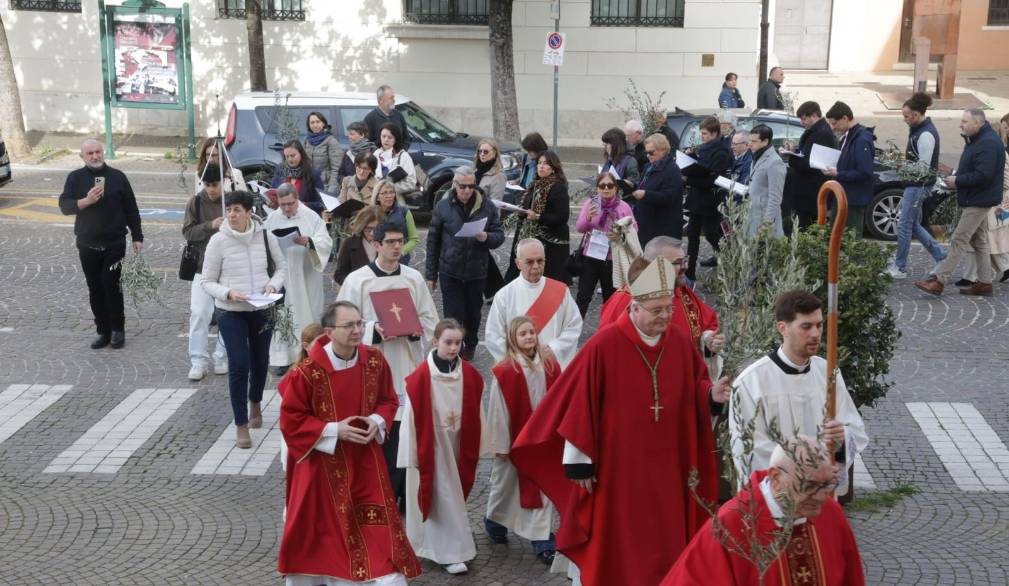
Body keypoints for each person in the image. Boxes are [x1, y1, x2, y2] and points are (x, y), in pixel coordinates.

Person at [510, 257, 730, 586]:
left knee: (665, 541)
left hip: (668, 468)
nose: (665, 317)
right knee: (617, 542)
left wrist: (711, 397)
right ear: (635, 307)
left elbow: (694, 385)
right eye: (657, 310)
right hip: (618, 469)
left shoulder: (678, 342)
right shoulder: (605, 344)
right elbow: (579, 401)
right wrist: (580, 461)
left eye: (668, 309)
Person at [277, 301, 422, 584]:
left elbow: (388, 399)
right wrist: (334, 430)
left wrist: (377, 421)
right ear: (329, 332)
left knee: (376, 539)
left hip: (364, 463)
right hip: (320, 468)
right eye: (349, 325)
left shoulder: (374, 360)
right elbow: (291, 419)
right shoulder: (307, 372)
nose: (357, 330)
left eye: (359, 323)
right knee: (319, 537)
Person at [662, 438, 866, 586]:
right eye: (809, 486)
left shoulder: (830, 514)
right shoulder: (730, 527)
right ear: (775, 478)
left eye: (827, 484)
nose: (821, 496)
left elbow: (851, 579)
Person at [337, 221, 440, 511]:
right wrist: (372, 330)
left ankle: (404, 495)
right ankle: (376, 494)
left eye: (400, 241)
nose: (397, 247)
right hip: (371, 369)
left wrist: (415, 330)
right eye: (391, 242)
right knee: (377, 433)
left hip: (406, 365)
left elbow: (430, 319)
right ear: (376, 244)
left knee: (405, 432)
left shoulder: (413, 278)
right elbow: (341, 325)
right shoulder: (357, 281)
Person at [730, 290, 868, 494]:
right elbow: (750, 449)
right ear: (782, 328)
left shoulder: (828, 372)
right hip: (777, 497)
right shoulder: (751, 382)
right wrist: (806, 473)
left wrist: (841, 440)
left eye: (819, 325)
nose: (815, 334)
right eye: (806, 326)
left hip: (822, 495)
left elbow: (853, 427)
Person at [201, 191, 288, 449]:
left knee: (261, 360)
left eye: (237, 210)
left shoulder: (265, 236)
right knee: (239, 363)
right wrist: (228, 293)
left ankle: (255, 402)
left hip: (261, 307)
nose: (231, 215)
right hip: (230, 310)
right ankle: (240, 423)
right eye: (229, 210)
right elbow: (207, 281)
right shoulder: (218, 241)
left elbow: (281, 268)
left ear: (250, 212)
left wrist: (272, 286)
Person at [398, 319, 484, 575]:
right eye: (448, 342)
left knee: (452, 496)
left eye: (458, 343)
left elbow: (477, 410)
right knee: (441, 497)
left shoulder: (469, 374)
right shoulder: (420, 378)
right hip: (432, 445)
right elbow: (410, 418)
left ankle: (449, 545)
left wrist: (481, 445)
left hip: (458, 442)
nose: (454, 348)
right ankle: (450, 553)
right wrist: (411, 454)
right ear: (435, 341)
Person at [484, 316, 562, 563]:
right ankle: (494, 522)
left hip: (543, 441)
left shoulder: (549, 363)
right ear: (513, 339)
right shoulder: (506, 371)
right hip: (515, 439)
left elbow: (561, 397)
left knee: (543, 490)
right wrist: (500, 444)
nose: (529, 337)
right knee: (504, 487)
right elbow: (497, 411)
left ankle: (543, 540)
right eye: (523, 333)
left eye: (532, 332)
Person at [58, 139, 144, 350]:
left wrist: (137, 237)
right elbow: (65, 206)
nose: (95, 156)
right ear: (82, 156)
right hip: (87, 244)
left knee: (111, 285)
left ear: (103, 152)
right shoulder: (75, 178)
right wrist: (86, 201)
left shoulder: (118, 177)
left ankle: (117, 329)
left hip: (114, 243)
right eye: (90, 153)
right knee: (95, 288)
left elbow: (131, 208)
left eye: (98, 151)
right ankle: (102, 331)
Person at [598, 238, 723, 378]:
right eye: (678, 262)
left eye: (685, 260)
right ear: (654, 266)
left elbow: (707, 325)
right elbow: (606, 351)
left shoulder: (682, 292)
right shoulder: (625, 301)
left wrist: (709, 341)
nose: (685, 266)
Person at [916, 109, 1007, 296]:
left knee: (959, 239)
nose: (960, 125)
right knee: (980, 241)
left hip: (979, 199)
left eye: (965, 122)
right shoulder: (978, 139)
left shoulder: (988, 143)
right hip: (976, 197)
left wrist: (957, 180)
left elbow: (984, 175)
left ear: (978, 123)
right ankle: (985, 283)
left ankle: (939, 280)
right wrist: (956, 176)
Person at [425, 167, 505, 360]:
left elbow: (499, 235)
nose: (467, 190)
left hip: (476, 271)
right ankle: (455, 349)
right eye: (463, 186)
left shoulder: (486, 206)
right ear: (455, 185)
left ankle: (471, 344)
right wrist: (431, 274)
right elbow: (433, 241)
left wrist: (487, 237)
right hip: (450, 270)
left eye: (471, 186)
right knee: (453, 315)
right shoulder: (443, 206)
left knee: (473, 314)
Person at [265, 184, 333, 375]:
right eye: (283, 205)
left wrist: (309, 241)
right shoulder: (272, 218)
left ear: (297, 199)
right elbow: (264, 242)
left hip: (306, 274)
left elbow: (325, 242)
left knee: (308, 312)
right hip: (284, 276)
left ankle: (310, 355)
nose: (287, 208)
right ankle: (284, 359)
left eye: (291, 204)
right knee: (285, 315)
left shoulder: (311, 217)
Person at [486, 238, 583, 368]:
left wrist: (554, 349)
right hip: (520, 368)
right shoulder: (504, 295)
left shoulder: (561, 291)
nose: (536, 266)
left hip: (552, 365)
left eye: (540, 261)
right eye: (530, 262)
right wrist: (518, 358)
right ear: (518, 263)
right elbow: (494, 335)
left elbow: (573, 325)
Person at [886, 93, 947, 279]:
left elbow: (923, 168)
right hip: (916, 185)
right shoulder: (920, 130)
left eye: (906, 116)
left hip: (918, 186)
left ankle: (900, 267)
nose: (904, 119)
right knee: (911, 225)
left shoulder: (925, 134)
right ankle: (941, 256)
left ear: (916, 114)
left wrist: (901, 166)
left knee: (904, 225)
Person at [182, 163, 228, 381]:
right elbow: (188, 232)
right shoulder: (196, 202)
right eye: (207, 185)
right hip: (202, 268)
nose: (211, 189)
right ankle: (198, 360)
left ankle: (222, 357)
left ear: (223, 182)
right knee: (199, 313)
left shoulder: (231, 201)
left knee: (227, 315)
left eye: (215, 185)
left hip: (227, 269)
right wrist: (210, 225)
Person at [574, 171, 636, 316]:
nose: (606, 189)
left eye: (610, 185)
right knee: (583, 296)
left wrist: (620, 234)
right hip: (591, 256)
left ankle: (607, 327)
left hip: (612, 259)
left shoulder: (623, 207)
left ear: (616, 188)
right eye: (602, 186)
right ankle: (574, 327)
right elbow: (580, 228)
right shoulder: (591, 204)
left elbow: (634, 230)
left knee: (610, 299)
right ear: (597, 188)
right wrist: (588, 218)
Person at [507, 151, 571, 283]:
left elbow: (562, 217)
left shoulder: (558, 187)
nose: (541, 166)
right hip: (529, 235)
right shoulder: (534, 184)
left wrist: (537, 217)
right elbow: (527, 206)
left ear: (553, 168)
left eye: (546, 164)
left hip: (550, 242)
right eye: (539, 163)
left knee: (547, 280)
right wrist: (520, 211)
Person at [960, 112, 1009, 285]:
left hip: (994, 205)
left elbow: (1005, 180)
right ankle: (977, 275)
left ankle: (971, 277)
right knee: (984, 240)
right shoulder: (992, 150)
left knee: (982, 240)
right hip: (990, 202)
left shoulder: (997, 153)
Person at [682, 116, 732, 278]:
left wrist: (688, 179)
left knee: (712, 234)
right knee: (692, 234)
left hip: (711, 202)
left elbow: (713, 179)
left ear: (714, 133)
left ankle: (728, 261)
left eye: (704, 134)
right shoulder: (704, 148)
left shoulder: (722, 152)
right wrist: (691, 158)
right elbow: (700, 168)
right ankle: (690, 272)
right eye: (701, 133)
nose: (701, 137)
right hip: (696, 199)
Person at [781, 101, 837, 235]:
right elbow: (808, 154)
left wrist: (791, 157)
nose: (801, 122)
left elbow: (814, 164)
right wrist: (794, 151)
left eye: (804, 119)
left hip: (810, 194)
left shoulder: (822, 133)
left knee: (805, 229)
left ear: (814, 115)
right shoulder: (816, 131)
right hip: (807, 192)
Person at [823, 101, 875, 237]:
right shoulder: (849, 136)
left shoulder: (861, 139)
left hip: (853, 200)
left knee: (850, 240)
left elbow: (865, 172)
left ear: (845, 118)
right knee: (837, 237)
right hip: (843, 196)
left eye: (834, 123)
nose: (833, 128)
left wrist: (838, 173)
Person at [632, 133, 684, 244]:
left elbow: (669, 197)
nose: (648, 156)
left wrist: (645, 194)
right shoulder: (648, 166)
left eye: (651, 152)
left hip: (662, 228)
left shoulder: (672, 170)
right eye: (646, 152)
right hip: (646, 224)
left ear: (662, 150)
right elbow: (645, 185)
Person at [473, 138, 509, 300]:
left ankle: (495, 289)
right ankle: (495, 289)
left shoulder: (498, 176)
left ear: (495, 153)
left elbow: (495, 202)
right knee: (480, 252)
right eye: (480, 151)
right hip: (468, 216)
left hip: (484, 218)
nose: (482, 154)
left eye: (486, 151)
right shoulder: (474, 171)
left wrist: (490, 223)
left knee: (480, 251)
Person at [746, 124, 787, 238]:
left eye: (754, 141)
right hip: (752, 216)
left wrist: (766, 224)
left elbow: (776, 197)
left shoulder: (775, 162)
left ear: (765, 141)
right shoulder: (757, 155)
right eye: (750, 140)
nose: (750, 144)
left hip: (764, 220)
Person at [333, 206, 385, 286]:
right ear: (362, 227)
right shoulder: (350, 243)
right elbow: (339, 275)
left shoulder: (387, 243)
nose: (372, 233)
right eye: (368, 229)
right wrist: (355, 284)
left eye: (377, 228)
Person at [271, 139, 324, 215]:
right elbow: (273, 191)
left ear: (301, 154)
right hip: (282, 215)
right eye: (287, 156)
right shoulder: (280, 170)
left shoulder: (312, 174)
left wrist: (303, 205)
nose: (290, 159)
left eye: (293, 156)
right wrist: (273, 202)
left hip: (304, 216)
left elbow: (320, 204)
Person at [374, 179, 419, 265]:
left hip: (400, 261)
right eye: (384, 193)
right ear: (377, 197)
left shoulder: (404, 212)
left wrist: (401, 252)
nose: (389, 196)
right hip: (378, 260)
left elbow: (413, 239)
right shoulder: (372, 213)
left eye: (391, 192)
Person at [303, 111, 343, 194]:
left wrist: (331, 191)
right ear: (309, 125)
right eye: (312, 122)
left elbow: (336, 169)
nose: (315, 125)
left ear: (323, 123)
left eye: (318, 122)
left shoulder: (331, 141)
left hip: (325, 186)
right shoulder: (306, 141)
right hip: (310, 185)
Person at [374, 123, 418, 196]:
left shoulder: (404, 156)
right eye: (383, 136)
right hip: (376, 197)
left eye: (390, 137)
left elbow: (411, 182)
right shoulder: (376, 154)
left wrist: (390, 189)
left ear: (396, 139)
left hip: (396, 198)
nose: (386, 140)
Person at [365, 84, 409, 148]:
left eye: (393, 97)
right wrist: (380, 152)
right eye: (391, 98)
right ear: (381, 100)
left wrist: (402, 150)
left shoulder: (399, 115)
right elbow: (366, 143)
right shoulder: (370, 118)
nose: (394, 100)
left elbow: (406, 138)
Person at [600, 127, 640, 197]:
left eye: (608, 143)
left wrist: (618, 182)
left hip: (623, 199)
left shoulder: (630, 161)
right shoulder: (610, 160)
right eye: (605, 144)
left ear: (616, 144)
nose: (605, 146)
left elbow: (634, 182)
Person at [337, 120, 378, 185]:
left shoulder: (374, 152)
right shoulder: (348, 153)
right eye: (349, 134)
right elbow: (340, 175)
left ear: (362, 135)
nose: (349, 137)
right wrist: (349, 182)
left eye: (352, 134)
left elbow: (377, 174)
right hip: (350, 188)